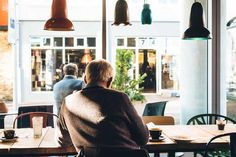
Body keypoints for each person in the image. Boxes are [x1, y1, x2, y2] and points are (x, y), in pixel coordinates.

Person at [55, 59, 149, 155]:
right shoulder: (120, 98)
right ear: (110, 81)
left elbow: (62, 141)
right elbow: (143, 138)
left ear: (85, 79)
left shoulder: (67, 102)